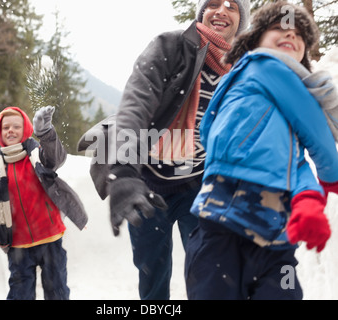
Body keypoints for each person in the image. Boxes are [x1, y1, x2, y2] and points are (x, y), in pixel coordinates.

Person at [78, 0, 250, 300]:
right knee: (152, 273)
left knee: (208, 269)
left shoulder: (244, 69)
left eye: (232, 6)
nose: (221, 10)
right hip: (148, 183)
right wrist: (124, 171)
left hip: (199, 184)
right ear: (202, 13)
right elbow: (136, 105)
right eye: (212, 3)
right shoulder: (171, 47)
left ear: (241, 20)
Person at [185, 1, 338, 300]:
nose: (291, 36)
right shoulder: (266, 66)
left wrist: (308, 199)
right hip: (227, 224)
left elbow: (293, 160)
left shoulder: (252, 89)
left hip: (263, 233)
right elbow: (315, 130)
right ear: (255, 40)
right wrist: (331, 175)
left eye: (299, 35)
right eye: (280, 28)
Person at [0, 106, 88, 300]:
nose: (10, 130)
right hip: (18, 245)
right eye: (5, 127)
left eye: (16, 126)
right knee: (20, 294)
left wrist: (46, 133)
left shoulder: (37, 157)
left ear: (26, 129)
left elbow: (57, 158)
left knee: (57, 290)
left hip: (50, 238)